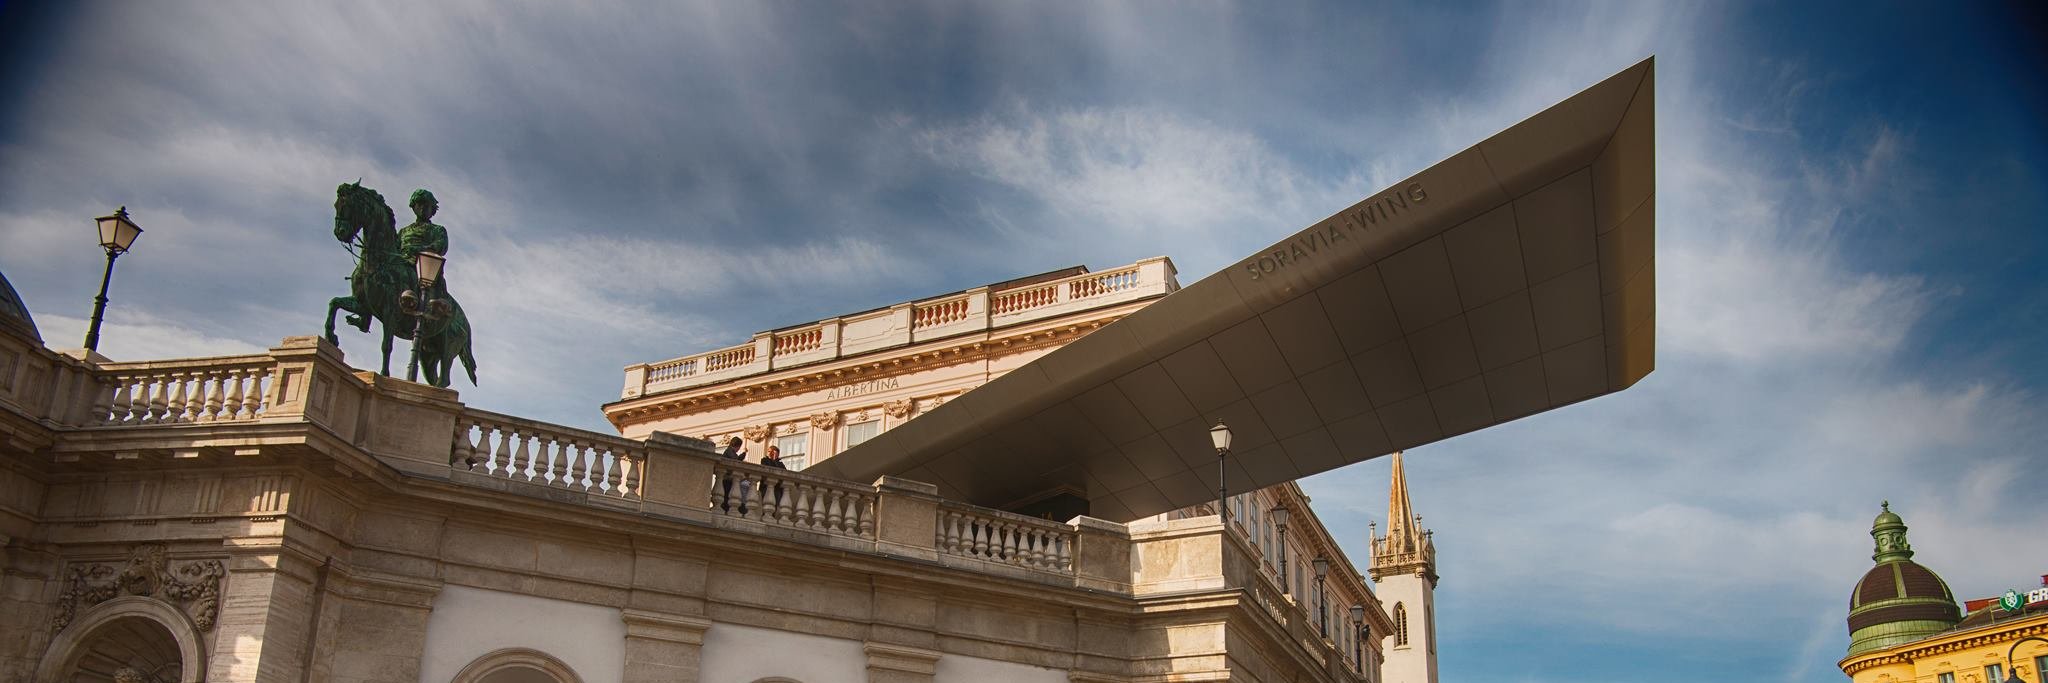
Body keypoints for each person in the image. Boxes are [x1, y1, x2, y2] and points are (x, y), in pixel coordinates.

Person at [717, 437, 746, 512]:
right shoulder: (729, 451)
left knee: (728, 494)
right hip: (727, 477)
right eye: (739, 447)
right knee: (726, 495)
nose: (738, 449)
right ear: (737, 445)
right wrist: (744, 453)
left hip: (728, 478)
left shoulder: (729, 451)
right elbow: (736, 460)